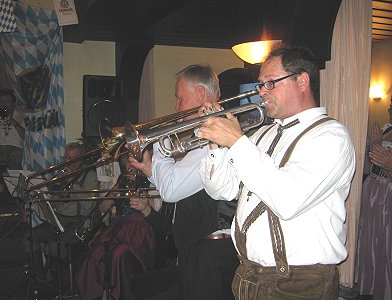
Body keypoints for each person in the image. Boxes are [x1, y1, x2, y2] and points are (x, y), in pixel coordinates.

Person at [197, 47, 356, 300]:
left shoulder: (331, 136)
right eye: (260, 84)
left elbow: (287, 200)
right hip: (249, 275)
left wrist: (237, 142)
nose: (261, 92)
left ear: (302, 80)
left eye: (270, 83)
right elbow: (221, 190)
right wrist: (216, 143)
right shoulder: (261, 134)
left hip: (300, 283)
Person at [129, 64, 239, 300]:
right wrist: (150, 168)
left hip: (210, 253)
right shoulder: (204, 135)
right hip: (197, 250)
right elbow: (175, 186)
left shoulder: (215, 134)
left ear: (200, 95)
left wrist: (158, 140)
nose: (176, 107)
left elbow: (170, 191)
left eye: (179, 99)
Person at [75, 155, 158, 300]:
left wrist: (140, 188)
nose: (130, 167)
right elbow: (102, 208)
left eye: (134, 164)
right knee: (95, 254)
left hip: (139, 230)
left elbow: (156, 207)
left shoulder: (151, 179)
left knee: (118, 254)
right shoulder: (121, 180)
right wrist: (115, 190)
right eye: (128, 164)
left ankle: (118, 295)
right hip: (117, 228)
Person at [22, 142, 99, 282]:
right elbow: (56, 203)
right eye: (65, 158)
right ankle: (40, 279)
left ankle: (63, 283)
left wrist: (72, 183)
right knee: (29, 237)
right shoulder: (61, 173)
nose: (67, 162)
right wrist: (45, 199)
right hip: (58, 220)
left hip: (78, 222)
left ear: (81, 158)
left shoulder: (89, 175)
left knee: (56, 244)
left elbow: (89, 205)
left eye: (72, 159)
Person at [355, 99, 392, 300]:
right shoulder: (386, 130)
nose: (389, 110)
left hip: (389, 197)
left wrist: (389, 165)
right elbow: (368, 167)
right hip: (373, 192)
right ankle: (371, 285)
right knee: (371, 241)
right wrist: (372, 146)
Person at [0, 89, 25, 192]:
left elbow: (25, 136)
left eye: (7, 102)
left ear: (13, 103)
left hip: (15, 149)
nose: (4, 104)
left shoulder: (21, 115)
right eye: (2, 102)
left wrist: (12, 120)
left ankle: (17, 192)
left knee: (17, 157)